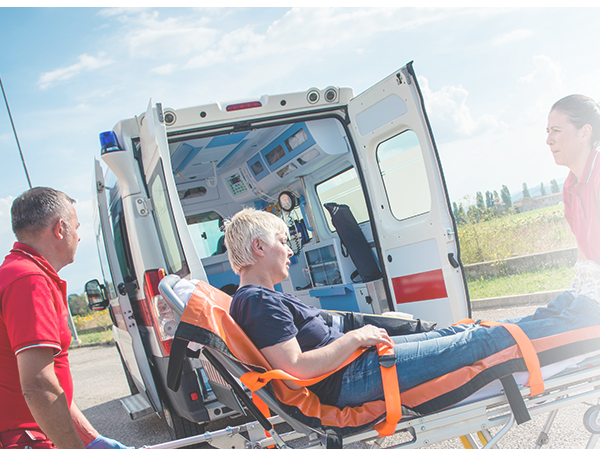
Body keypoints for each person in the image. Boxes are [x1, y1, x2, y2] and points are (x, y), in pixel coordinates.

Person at [224, 208, 600, 411]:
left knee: (462, 332)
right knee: (483, 343)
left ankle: (570, 309)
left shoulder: (257, 299)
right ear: (259, 248)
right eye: (282, 241)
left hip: (360, 367)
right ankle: (587, 319)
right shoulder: (258, 301)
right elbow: (295, 368)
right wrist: (357, 338)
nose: (290, 250)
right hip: (355, 377)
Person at [0, 187, 134, 449]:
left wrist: (91, 439)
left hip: (27, 446)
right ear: (59, 229)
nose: (78, 236)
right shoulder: (28, 280)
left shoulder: (21, 274)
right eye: (76, 227)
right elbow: (39, 386)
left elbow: (51, 381)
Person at [547, 94, 600, 298]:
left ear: (585, 133)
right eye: (548, 131)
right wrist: (585, 275)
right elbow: (583, 250)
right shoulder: (571, 185)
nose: (548, 140)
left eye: (556, 131)